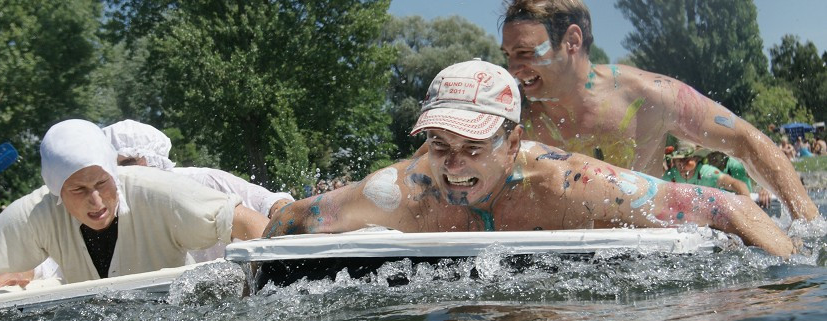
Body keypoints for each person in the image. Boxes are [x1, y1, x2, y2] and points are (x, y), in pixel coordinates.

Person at [266, 60, 793, 259]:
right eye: (440, 146)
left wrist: (796, 291)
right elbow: (289, 220)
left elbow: (730, 208)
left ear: (513, 143)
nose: (453, 166)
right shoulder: (404, 189)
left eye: (473, 147)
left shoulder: (571, 182)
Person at [499, 0, 820, 222]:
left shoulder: (649, 97)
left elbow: (745, 140)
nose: (513, 68)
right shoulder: (510, 114)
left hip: (642, 268)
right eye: (509, 55)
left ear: (571, 40)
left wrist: (807, 220)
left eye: (525, 52)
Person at [0, 119, 267, 304]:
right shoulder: (34, 216)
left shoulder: (156, 190)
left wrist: (256, 304)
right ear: (57, 190)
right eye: (79, 190)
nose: (97, 201)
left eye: (103, 184)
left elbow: (248, 223)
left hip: (182, 316)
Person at [102, 120, 293, 219]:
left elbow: (273, 203)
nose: (121, 173)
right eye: (112, 166)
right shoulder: (105, 210)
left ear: (154, 160)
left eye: (127, 163)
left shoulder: (204, 181)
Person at [664, 142, 750, 196]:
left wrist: (747, 202)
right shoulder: (670, 176)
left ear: (696, 159)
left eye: (686, 160)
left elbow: (736, 184)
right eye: (679, 160)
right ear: (674, 160)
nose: (682, 163)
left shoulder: (705, 172)